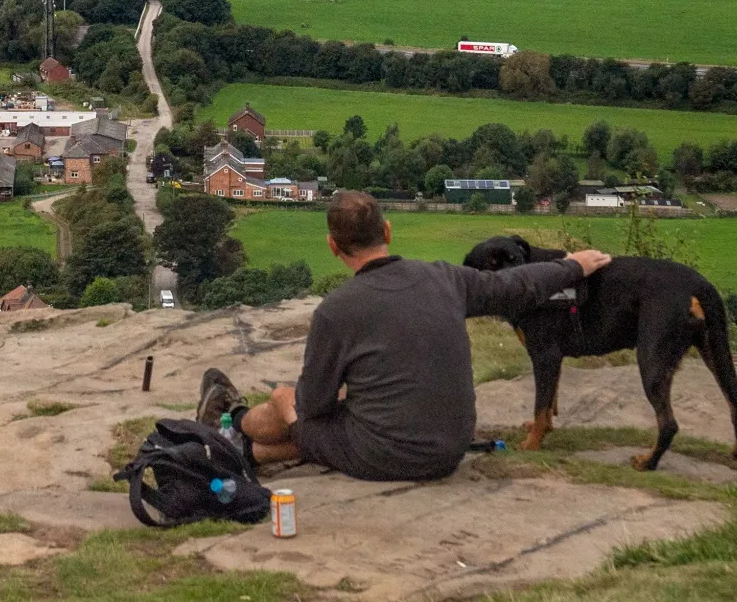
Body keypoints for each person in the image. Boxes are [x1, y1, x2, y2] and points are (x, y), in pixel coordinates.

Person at [196, 191, 611, 483]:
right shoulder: (446, 279)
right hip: (450, 448)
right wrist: (572, 266)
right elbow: (514, 286)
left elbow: (314, 408)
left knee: (286, 398)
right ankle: (243, 448)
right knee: (351, 411)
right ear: (388, 231)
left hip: (383, 457)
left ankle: (230, 423)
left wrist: (302, 403)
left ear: (332, 246)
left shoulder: (335, 311)